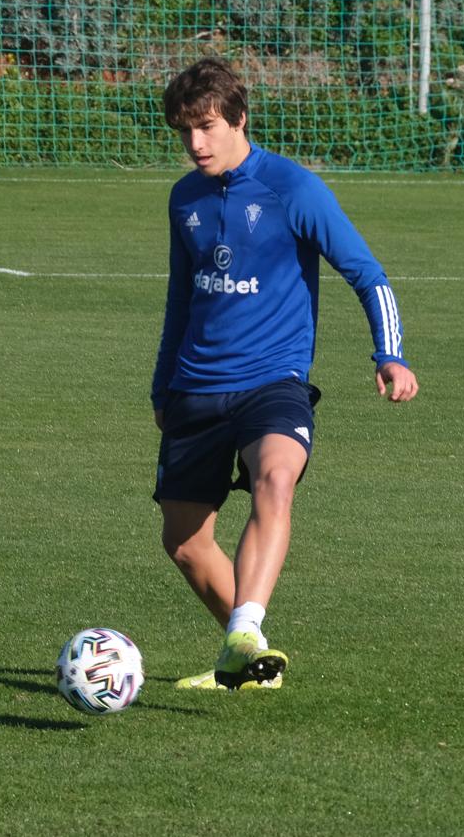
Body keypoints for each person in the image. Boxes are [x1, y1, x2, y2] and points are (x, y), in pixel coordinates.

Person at [153, 58, 419, 691]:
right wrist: (163, 385)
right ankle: (246, 656)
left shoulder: (294, 189)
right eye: (184, 131)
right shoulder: (184, 196)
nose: (195, 144)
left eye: (208, 127)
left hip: (274, 380)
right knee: (186, 545)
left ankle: (245, 623)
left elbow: (367, 274)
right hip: (195, 386)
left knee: (276, 478)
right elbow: (179, 298)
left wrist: (390, 352)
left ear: (239, 119)